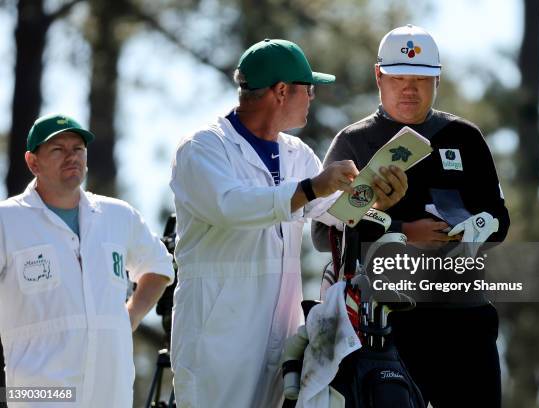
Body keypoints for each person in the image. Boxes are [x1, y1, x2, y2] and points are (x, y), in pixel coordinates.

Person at [169, 38, 408, 408]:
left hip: (281, 335)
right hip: (218, 337)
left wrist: (377, 199)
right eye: (308, 89)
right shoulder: (202, 148)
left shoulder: (297, 154)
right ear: (282, 91)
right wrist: (311, 187)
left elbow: (339, 211)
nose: (312, 97)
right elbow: (232, 207)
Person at [312, 25, 510, 407]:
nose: (408, 88)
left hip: (465, 317)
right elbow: (324, 235)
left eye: (419, 79)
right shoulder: (354, 142)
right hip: (387, 324)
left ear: (437, 80)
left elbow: (499, 217)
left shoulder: (464, 137)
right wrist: (405, 232)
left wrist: (472, 231)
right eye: (398, 77)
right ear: (378, 77)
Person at [0, 114, 175, 407]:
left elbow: (158, 266)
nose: (71, 157)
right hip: (39, 394)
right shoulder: (7, 220)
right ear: (32, 163)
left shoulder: (118, 215)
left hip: (111, 392)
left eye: (78, 149)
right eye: (58, 150)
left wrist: (129, 316)